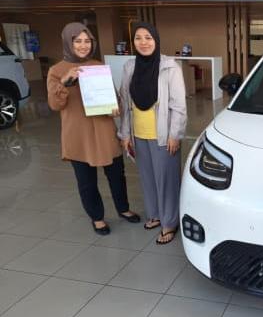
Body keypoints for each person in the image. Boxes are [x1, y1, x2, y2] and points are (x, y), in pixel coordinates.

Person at [47, 22, 141, 235]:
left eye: (87, 41)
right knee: (86, 181)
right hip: (78, 134)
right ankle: (97, 217)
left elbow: (114, 99)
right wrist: (65, 82)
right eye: (78, 41)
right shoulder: (56, 71)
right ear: (68, 43)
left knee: (117, 174)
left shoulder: (98, 66)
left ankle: (123, 208)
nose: (83, 45)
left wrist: (114, 106)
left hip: (104, 129)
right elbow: (55, 105)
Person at [118, 22, 187, 245]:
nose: (143, 42)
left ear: (156, 40)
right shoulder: (130, 66)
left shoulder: (170, 67)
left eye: (148, 37)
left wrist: (175, 134)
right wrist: (125, 134)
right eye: (138, 38)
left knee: (166, 180)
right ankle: (155, 214)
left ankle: (170, 222)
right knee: (147, 178)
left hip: (163, 135)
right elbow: (125, 101)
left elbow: (179, 105)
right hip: (139, 134)